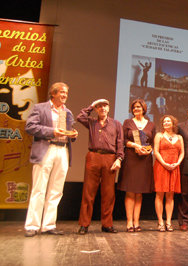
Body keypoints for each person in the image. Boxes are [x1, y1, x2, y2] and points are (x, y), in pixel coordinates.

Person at [24, 82, 78, 237]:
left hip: (62, 151)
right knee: (39, 189)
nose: (64, 95)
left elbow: (68, 131)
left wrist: (73, 134)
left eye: (66, 93)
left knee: (56, 190)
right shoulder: (40, 108)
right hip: (45, 149)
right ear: (53, 93)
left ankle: (48, 225)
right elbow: (30, 127)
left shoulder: (67, 112)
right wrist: (52, 131)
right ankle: (32, 225)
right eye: (61, 92)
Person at [77, 99, 124, 234]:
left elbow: (120, 143)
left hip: (110, 158)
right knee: (88, 192)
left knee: (109, 193)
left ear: (109, 108)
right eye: (99, 106)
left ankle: (107, 224)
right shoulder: (92, 122)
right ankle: (84, 224)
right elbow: (80, 117)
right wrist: (91, 106)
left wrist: (119, 158)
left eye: (105, 106)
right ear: (96, 109)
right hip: (94, 156)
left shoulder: (116, 124)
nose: (102, 108)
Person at [117, 99, 155, 232]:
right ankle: (129, 222)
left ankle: (136, 221)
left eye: (138, 107)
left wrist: (147, 150)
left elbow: (153, 144)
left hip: (144, 160)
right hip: (131, 158)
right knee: (130, 191)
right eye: (134, 108)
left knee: (139, 192)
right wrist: (134, 145)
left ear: (144, 108)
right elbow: (123, 140)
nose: (136, 109)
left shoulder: (151, 124)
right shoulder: (127, 123)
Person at [153, 115, 184, 232]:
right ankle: (160, 222)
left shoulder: (179, 137)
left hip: (174, 167)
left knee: (170, 196)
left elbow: (182, 153)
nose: (166, 123)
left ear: (173, 123)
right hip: (161, 167)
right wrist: (164, 163)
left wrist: (177, 163)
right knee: (160, 195)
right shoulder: (159, 136)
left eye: (168, 121)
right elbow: (155, 151)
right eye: (164, 121)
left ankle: (169, 222)